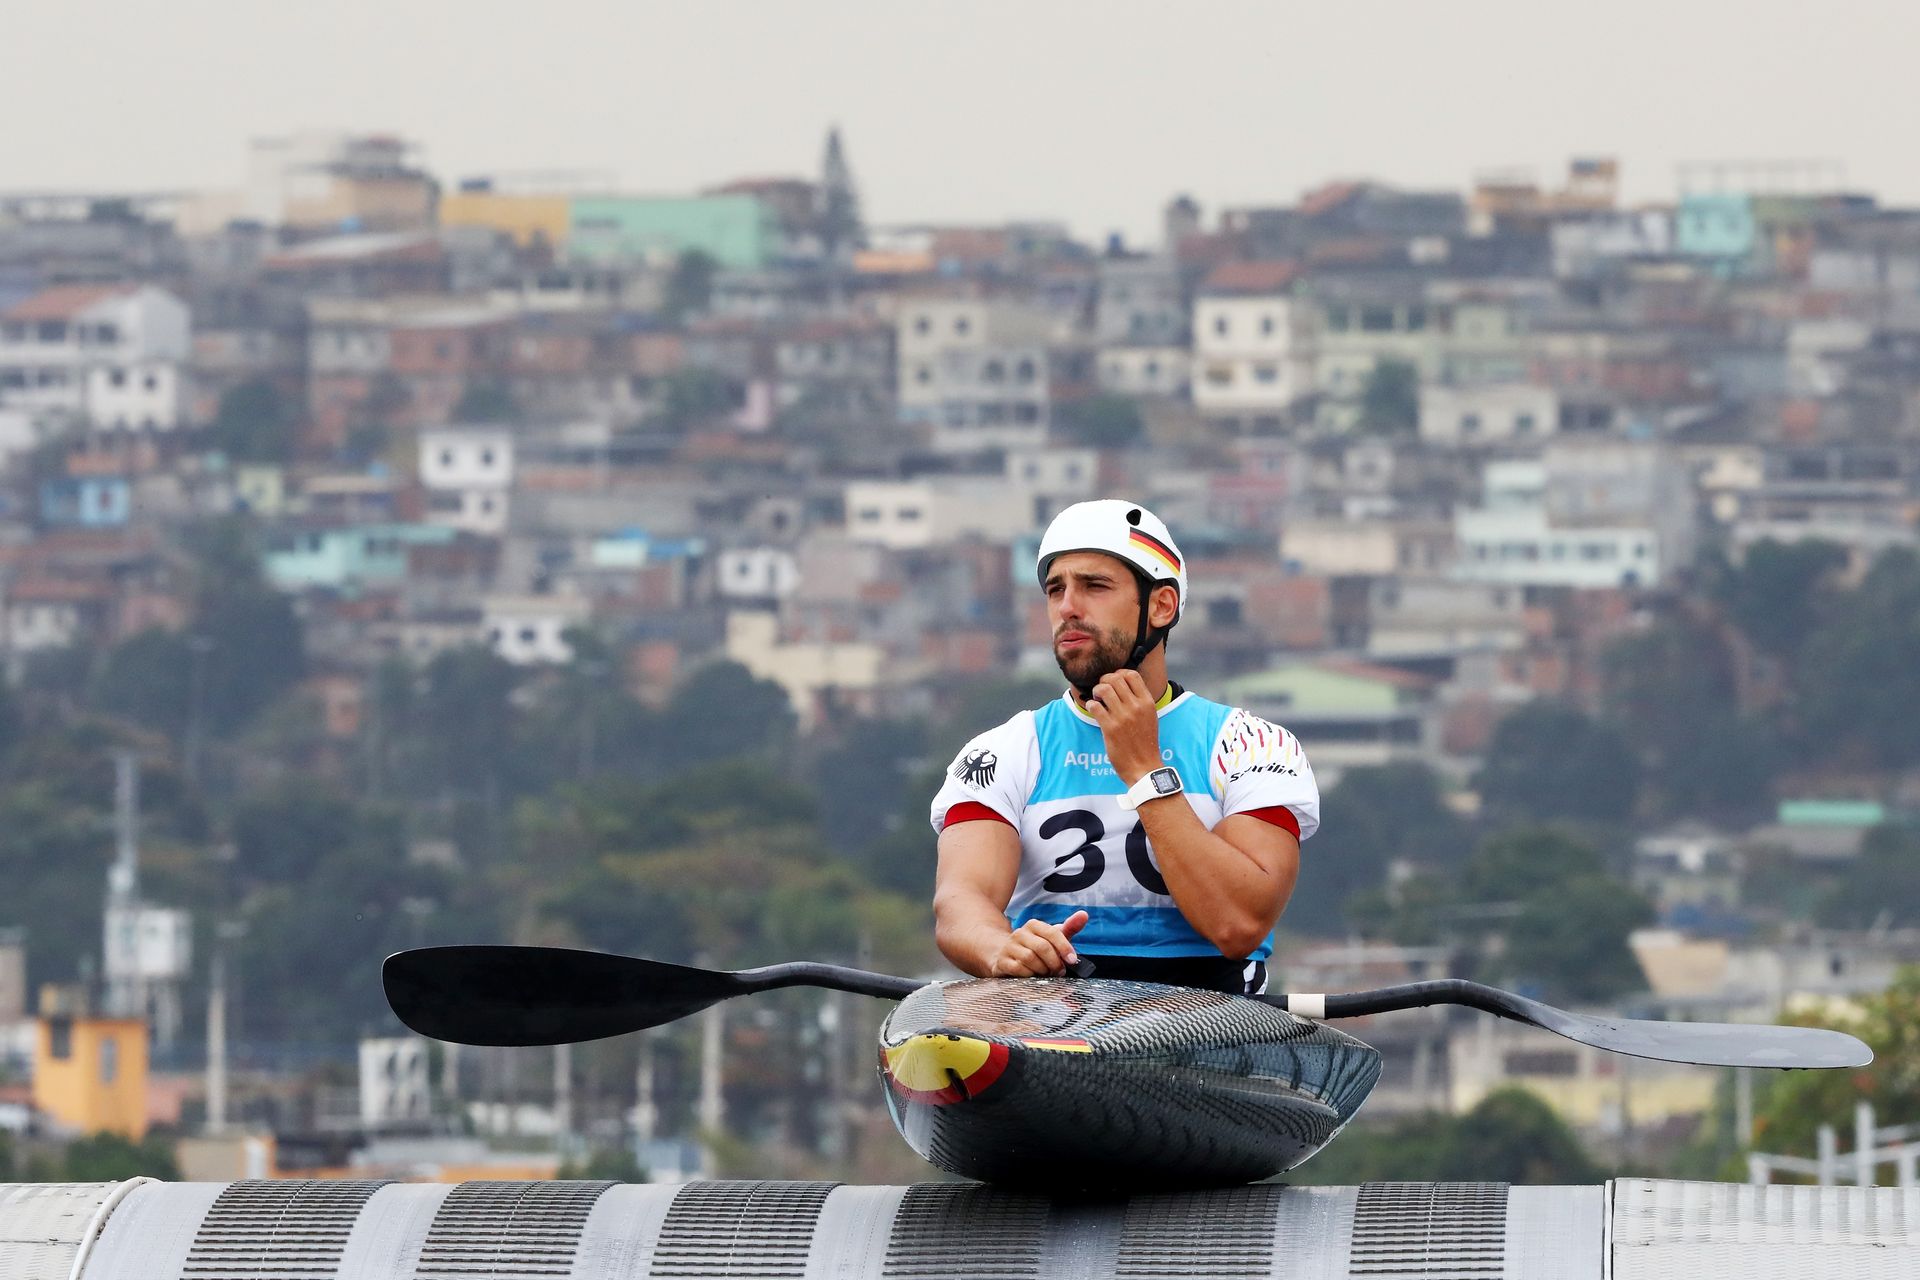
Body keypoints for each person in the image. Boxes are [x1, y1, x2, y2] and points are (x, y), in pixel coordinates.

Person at [929, 499, 1319, 996]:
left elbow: (1239, 925)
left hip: (1210, 1029)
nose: (1068, 606)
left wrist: (1144, 771)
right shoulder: (1004, 750)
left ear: (1161, 606)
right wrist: (997, 948)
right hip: (1055, 1026)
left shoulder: (1253, 744)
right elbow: (961, 903)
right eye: (1055, 589)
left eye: (1095, 586)